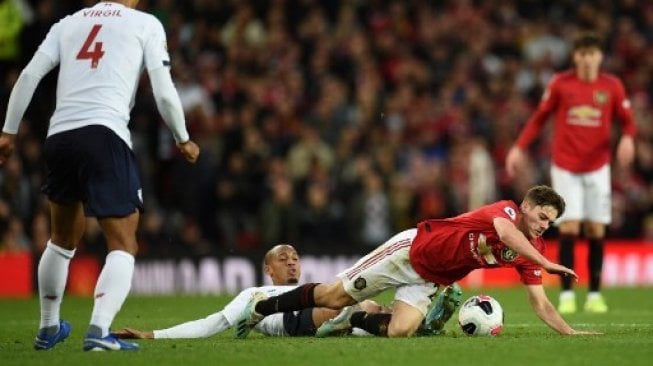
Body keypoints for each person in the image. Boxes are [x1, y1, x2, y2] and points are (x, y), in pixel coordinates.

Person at [0, 0, 200, 351]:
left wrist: (8, 132)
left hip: (59, 136)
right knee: (124, 242)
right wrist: (182, 138)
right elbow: (164, 90)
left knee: (62, 239)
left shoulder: (67, 23)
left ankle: (48, 328)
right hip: (104, 133)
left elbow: (29, 75)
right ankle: (99, 331)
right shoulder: (145, 23)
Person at [235, 185, 598, 338]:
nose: (544, 226)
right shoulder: (504, 211)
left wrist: (570, 332)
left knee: (401, 331)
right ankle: (262, 307)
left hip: (430, 277)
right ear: (527, 207)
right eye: (542, 217)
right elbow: (505, 234)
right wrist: (545, 262)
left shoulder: (532, 249)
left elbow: (540, 302)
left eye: (550, 223)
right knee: (331, 296)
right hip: (410, 252)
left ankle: (354, 319)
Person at [505, 33, 636, 314]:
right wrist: (518, 147)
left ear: (600, 57)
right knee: (569, 227)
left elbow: (627, 122)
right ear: (575, 56)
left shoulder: (611, 86)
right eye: (583, 53)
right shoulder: (561, 84)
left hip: (598, 167)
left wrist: (627, 138)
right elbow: (539, 117)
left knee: (595, 229)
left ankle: (594, 295)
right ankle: (566, 294)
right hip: (565, 165)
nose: (588, 59)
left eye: (593, 54)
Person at [111, 244, 388, 339]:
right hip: (291, 322)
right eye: (283, 258)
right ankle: (348, 320)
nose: (291, 262)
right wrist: (153, 334)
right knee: (341, 309)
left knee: (373, 308)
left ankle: (397, 322)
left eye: (294, 258)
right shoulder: (255, 292)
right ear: (269, 269)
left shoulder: (310, 291)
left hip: (315, 313)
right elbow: (215, 322)